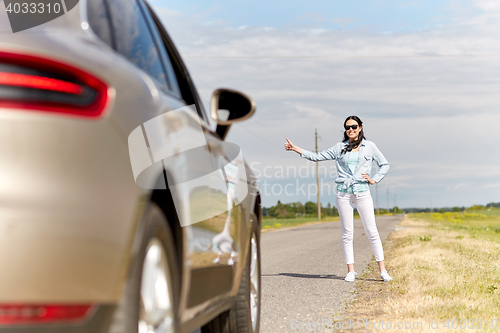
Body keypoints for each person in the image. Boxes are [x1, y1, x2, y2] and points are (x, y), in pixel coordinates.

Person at [284, 116, 393, 282]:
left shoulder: (370, 146)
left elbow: (384, 164)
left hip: (362, 192)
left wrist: (374, 179)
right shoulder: (339, 148)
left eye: (354, 126)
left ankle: (383, 271)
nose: (350, 129)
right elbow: (316, 156)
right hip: (343, 193)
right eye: (347, 127)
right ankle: (351, 271)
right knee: (347, 233)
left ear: (361, 127)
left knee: (372, 231)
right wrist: (295, 148)